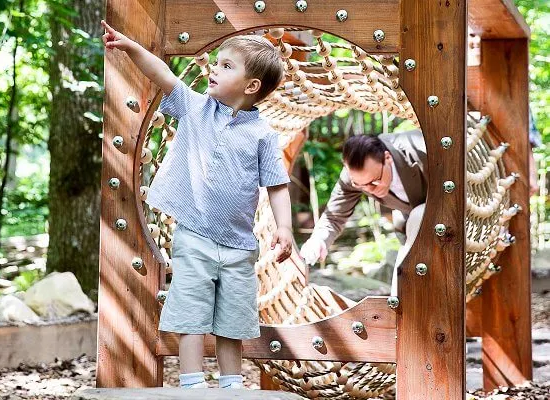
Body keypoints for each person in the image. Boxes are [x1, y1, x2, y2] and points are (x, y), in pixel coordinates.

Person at [101, 21, 293, 389]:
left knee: (233, 318)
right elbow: (165, 76)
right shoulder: (198, 109)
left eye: (225, 66)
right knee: (191, 309)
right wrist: (131, 47)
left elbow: (277, 185)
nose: (213, 70)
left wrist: (284, 227)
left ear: (251, 86)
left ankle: (231, 384)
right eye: (216, 63)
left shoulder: (264, 135)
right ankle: (192, 383)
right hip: (195, 236)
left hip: (239, 245)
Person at [300, 132, 427, 295]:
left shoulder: (420, 151)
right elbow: (334, 216)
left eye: (374, 181)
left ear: (387, 158)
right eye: (360, 185)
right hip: (410, 228)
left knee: (418, 215)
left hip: (450, 212)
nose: (369, 190)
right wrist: (318, 241)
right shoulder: (354, 178)